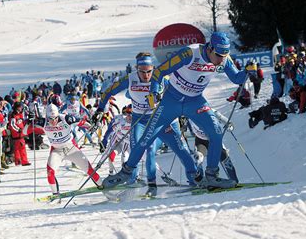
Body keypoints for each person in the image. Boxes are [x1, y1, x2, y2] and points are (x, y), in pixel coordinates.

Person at [102, 32, 248, 190]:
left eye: (224, 56)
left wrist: (249, 71)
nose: (221, 60)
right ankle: (125, 173)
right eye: (218, 55)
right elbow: (159, 72)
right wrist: (154, 92)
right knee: (146, 138)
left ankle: (211, 176)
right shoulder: (189, 53)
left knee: (217, 133)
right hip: (172, 100)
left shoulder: (224, 58)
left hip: (195, 101)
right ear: (210, 48)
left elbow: (237, 78)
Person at [96, 52, 199, 196]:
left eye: (149, 71)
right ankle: (144, 183)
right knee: (138, 148)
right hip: (141, 120)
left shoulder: (163, 78)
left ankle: (195, 178)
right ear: (136, 69)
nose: (146, 75)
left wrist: (180, 114)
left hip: (164, 119)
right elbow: (108, 91)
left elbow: (181, 93)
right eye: (142, 72)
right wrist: (100, 109)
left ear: (153, 68)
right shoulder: (130, 79)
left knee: (181, 149)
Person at [44, 104, 102, 195]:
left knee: (90, 170)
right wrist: (29, 120)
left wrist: (91, 126)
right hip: (57, 151)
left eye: (55, 118)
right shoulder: (42, 122)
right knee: (50, 173)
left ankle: (102, 186)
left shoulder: (66, 118)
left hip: (71, 149)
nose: (53, 121)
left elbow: (82, 122)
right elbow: (25, 130)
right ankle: (55, 194)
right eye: (50, 119)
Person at [9, 102, 31, 166]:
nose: (21, 108)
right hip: (17, 134)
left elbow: (22, 121)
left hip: (20, 133)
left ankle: (18, 161)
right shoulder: (13, 115)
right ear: (17, 107)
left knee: (17, 148)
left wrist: (27, 121)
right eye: (20, 107)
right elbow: (12, 125)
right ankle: (24, 161)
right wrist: (18, 130)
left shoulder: (20, 114)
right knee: (22, 147)